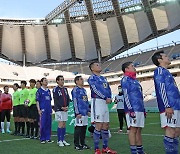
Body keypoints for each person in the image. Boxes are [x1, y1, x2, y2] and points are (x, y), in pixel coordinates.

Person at [152, 51, 180, 154]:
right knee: (170, 130)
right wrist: (167, 106)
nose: (168, 57)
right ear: (159, 60)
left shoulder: (167, 72)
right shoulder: (159, 71)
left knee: (177, 131)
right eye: (165, 56)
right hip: (169, 106)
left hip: (176, 105)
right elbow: (161, 89)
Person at [88, 62, 117, 154]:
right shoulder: (92, 78)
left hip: (105, 102)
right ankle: (96, 149)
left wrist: (110, 97)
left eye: (99, 65)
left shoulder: (103, 78)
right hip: (98, 102)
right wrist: (105, 97)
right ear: (92, 68)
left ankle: (105, 147)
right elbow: (95, 90)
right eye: (97, 65)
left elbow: (108, 89)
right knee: (99, 125)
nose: (99, 66)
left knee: (106, 125)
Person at [121, 62, 146, 154]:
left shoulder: (135, 81)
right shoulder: (125, 79)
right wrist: (130, 109)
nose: (134, 68)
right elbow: (126, 95)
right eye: (132, 66)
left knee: (139, 130)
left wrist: (143, 109)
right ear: (126, 69)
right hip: (132, 109)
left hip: (139, 108)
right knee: (133, 129)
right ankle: (133, 151)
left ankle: (140, 151)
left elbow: (140, 96)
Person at [72, 76, 90, 150]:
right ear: (76, 81)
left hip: (85, 112)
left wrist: (88, 110)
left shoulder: (84, 90)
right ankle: (76, 144)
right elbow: (75, 102)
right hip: (79, 112)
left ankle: (82, 143)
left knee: (83, 128)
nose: (82, 81)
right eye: (81, 79)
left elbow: (86, 101)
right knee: (78, 128)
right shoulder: (75, 90)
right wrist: (77, 113)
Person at [53, 75, 70, 147]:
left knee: (64, 124)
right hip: (58, 109)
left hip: (65, 109)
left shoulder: (65, 89)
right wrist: (61, 107)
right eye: (61, 80)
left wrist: (67, 106)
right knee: (60, 124)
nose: (62, 81)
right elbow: (56, 99)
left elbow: (68, 98)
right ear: (57, 81)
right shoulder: (55, 89)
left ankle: (63, 139)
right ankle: (59, 140)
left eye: (63, 79)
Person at [36, 77, 53, 144]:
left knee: (48, 124)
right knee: (43, 124)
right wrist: (39, 110)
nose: (46, 81)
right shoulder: (39, 91)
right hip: (43, 110)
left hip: (48, 109)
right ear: (42, 82)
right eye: (45, 80)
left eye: (47, 80)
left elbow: (50, 101)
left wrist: (51, 109)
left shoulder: (48, 91)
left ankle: (48, 138)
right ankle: (42, 138)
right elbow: (37, 101)